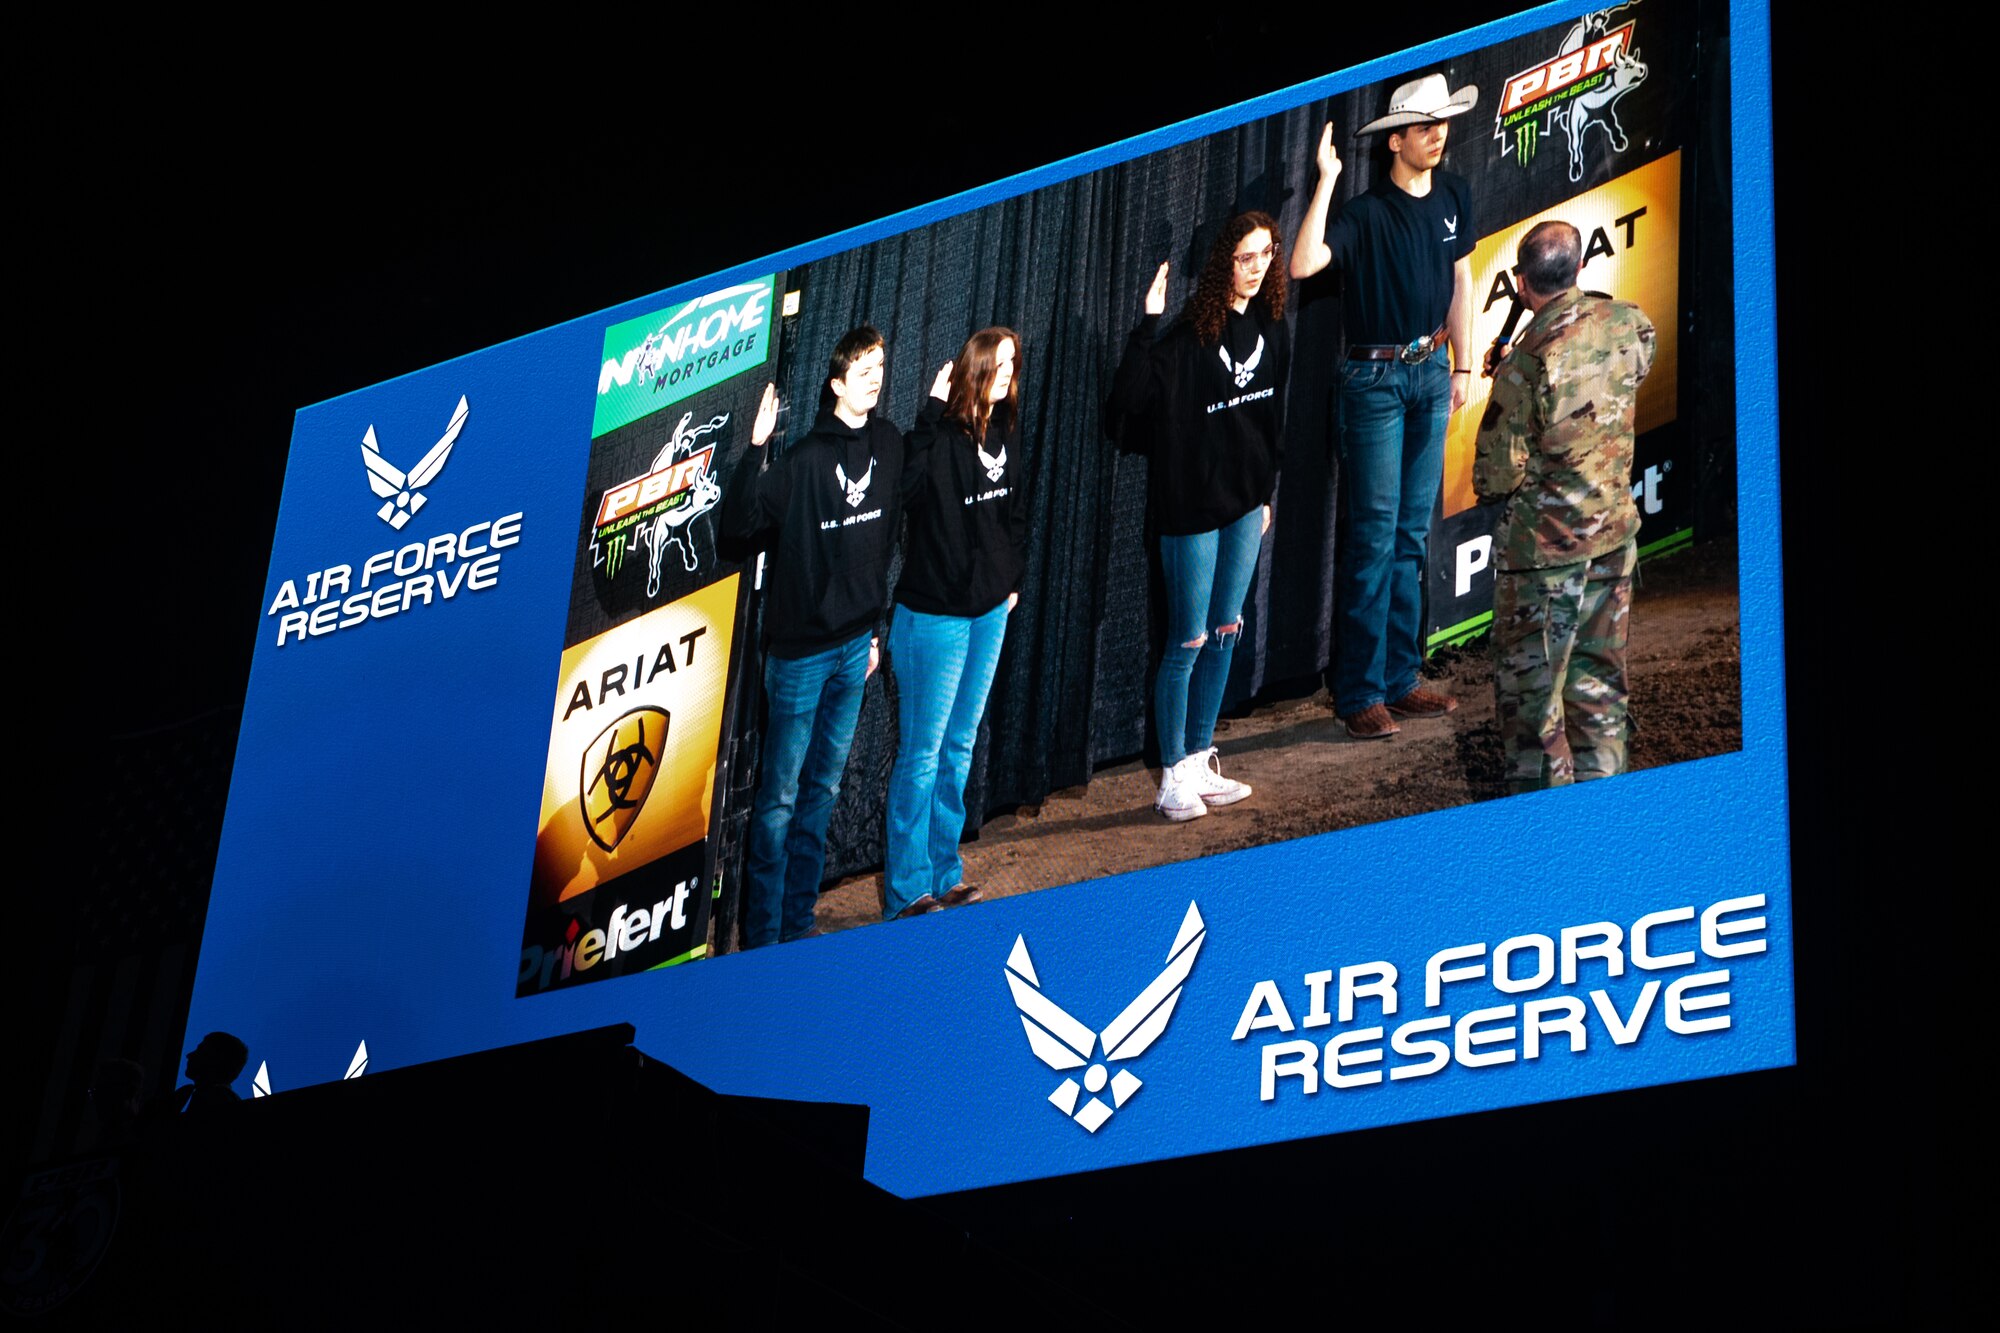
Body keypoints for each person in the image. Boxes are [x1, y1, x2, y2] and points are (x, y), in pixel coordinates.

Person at [1290, 73, 1480, 740]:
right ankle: (1360, 692)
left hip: (1432, 373)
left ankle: (1401, 680)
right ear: (1395, 139)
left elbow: (1462, 280)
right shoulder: (1365, 212)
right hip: (1372, 384)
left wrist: (1462, 363)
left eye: (1443, 122)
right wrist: (1326, 179)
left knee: (1409, 536)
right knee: (1373, 540)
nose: (1438, 134)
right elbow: (1304, 263)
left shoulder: (1454, 194)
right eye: (1425, 126)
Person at [721, 327, 904, 945]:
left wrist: (874, 635)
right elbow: (738, 525)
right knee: (776, 803)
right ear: (835, 386)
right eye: (862, 369)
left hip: (857, 650)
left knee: (822, 792)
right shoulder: (801, 462)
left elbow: (880, 548)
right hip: (798, 658)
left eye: (880, 365)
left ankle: (798, 927)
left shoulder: (890, 442)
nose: (875, 377)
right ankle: (762, 939)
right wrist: (754, 448)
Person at [1108, 213, 1289, 821]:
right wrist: (1148, 322)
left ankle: (1199, 759)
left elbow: (1269, 419)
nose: (1258, 266)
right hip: (1190, 514)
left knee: (1226, 630)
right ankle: (1171, 776)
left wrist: (1266, 494)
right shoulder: (1188, 335)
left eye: (1266, 253)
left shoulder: (1269, 321)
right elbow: (1126, 405)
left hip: (1244, 507)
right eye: (1246, 257)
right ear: (1223, 264)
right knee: (1186, 640)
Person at [1474, 220, 1655, 791]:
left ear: (1522, 284)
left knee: (1535, 712)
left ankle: (1545, 845)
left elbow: (1494, 476)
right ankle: (1607, 822)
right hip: (1613, 545)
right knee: (1599, 689)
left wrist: (1507, 382)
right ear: (1579, 270)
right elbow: (1636, 367)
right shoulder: (1629, 322)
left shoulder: (1524, 364)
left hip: (1544, 566)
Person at [883, 329, 1031, 917]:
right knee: (923, 754)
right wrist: (930, 413)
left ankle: (945, 872)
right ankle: (906, 891)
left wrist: (1011, 580)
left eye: (1014, 362)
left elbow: (1016, 514)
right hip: (935, 618)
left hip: (989, 611)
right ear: (975, 369)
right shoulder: (938, 436)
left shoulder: (1006, 431)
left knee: (960, 747)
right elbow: (906, 493)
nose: (1008, 370)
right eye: (998, 363)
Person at [174, 1032, 247, 1113]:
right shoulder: (223, 1097)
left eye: (200, 1051)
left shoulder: (214, 1098)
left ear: (216, 1060)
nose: (189, 1055)